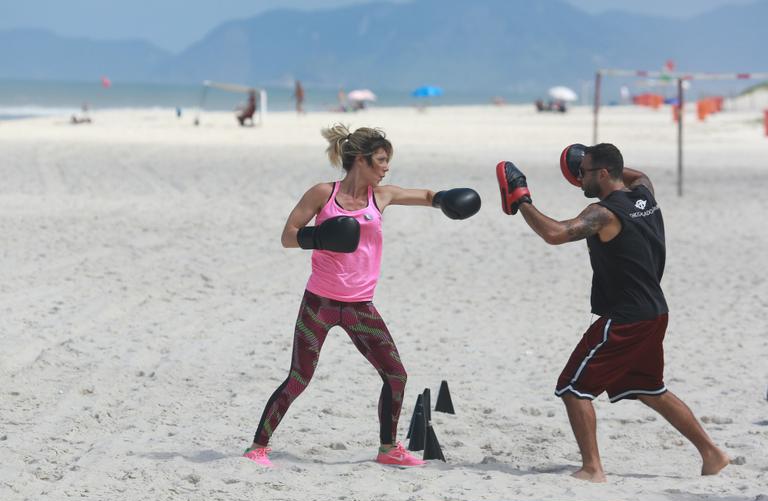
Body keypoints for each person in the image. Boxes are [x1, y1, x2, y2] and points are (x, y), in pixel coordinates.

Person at [244, 124, 481, 468]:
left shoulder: (381, 196)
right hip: (320, 304)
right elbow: (288, 236)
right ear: (360, 160)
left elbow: (427, 196)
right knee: (299, 377)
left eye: (388, 161)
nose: (386, 168)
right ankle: (257, 447)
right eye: (381, 160)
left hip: (360, 307)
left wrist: (446, 200)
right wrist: (321, 238)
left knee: (396, 375)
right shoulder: (322, 193)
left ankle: (388, 449)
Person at [495, 143, 730, 482]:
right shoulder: (644, 196)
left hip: (626, 318)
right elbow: (639, 175)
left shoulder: (603, 213)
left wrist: (522, 200)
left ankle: (592, 468)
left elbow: (555, 233)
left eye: (584, 172)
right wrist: (596, 165)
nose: (579, 178)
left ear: (603, 174)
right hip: (655, 311)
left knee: (573, 389)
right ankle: (712, 453)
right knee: (649, 388)